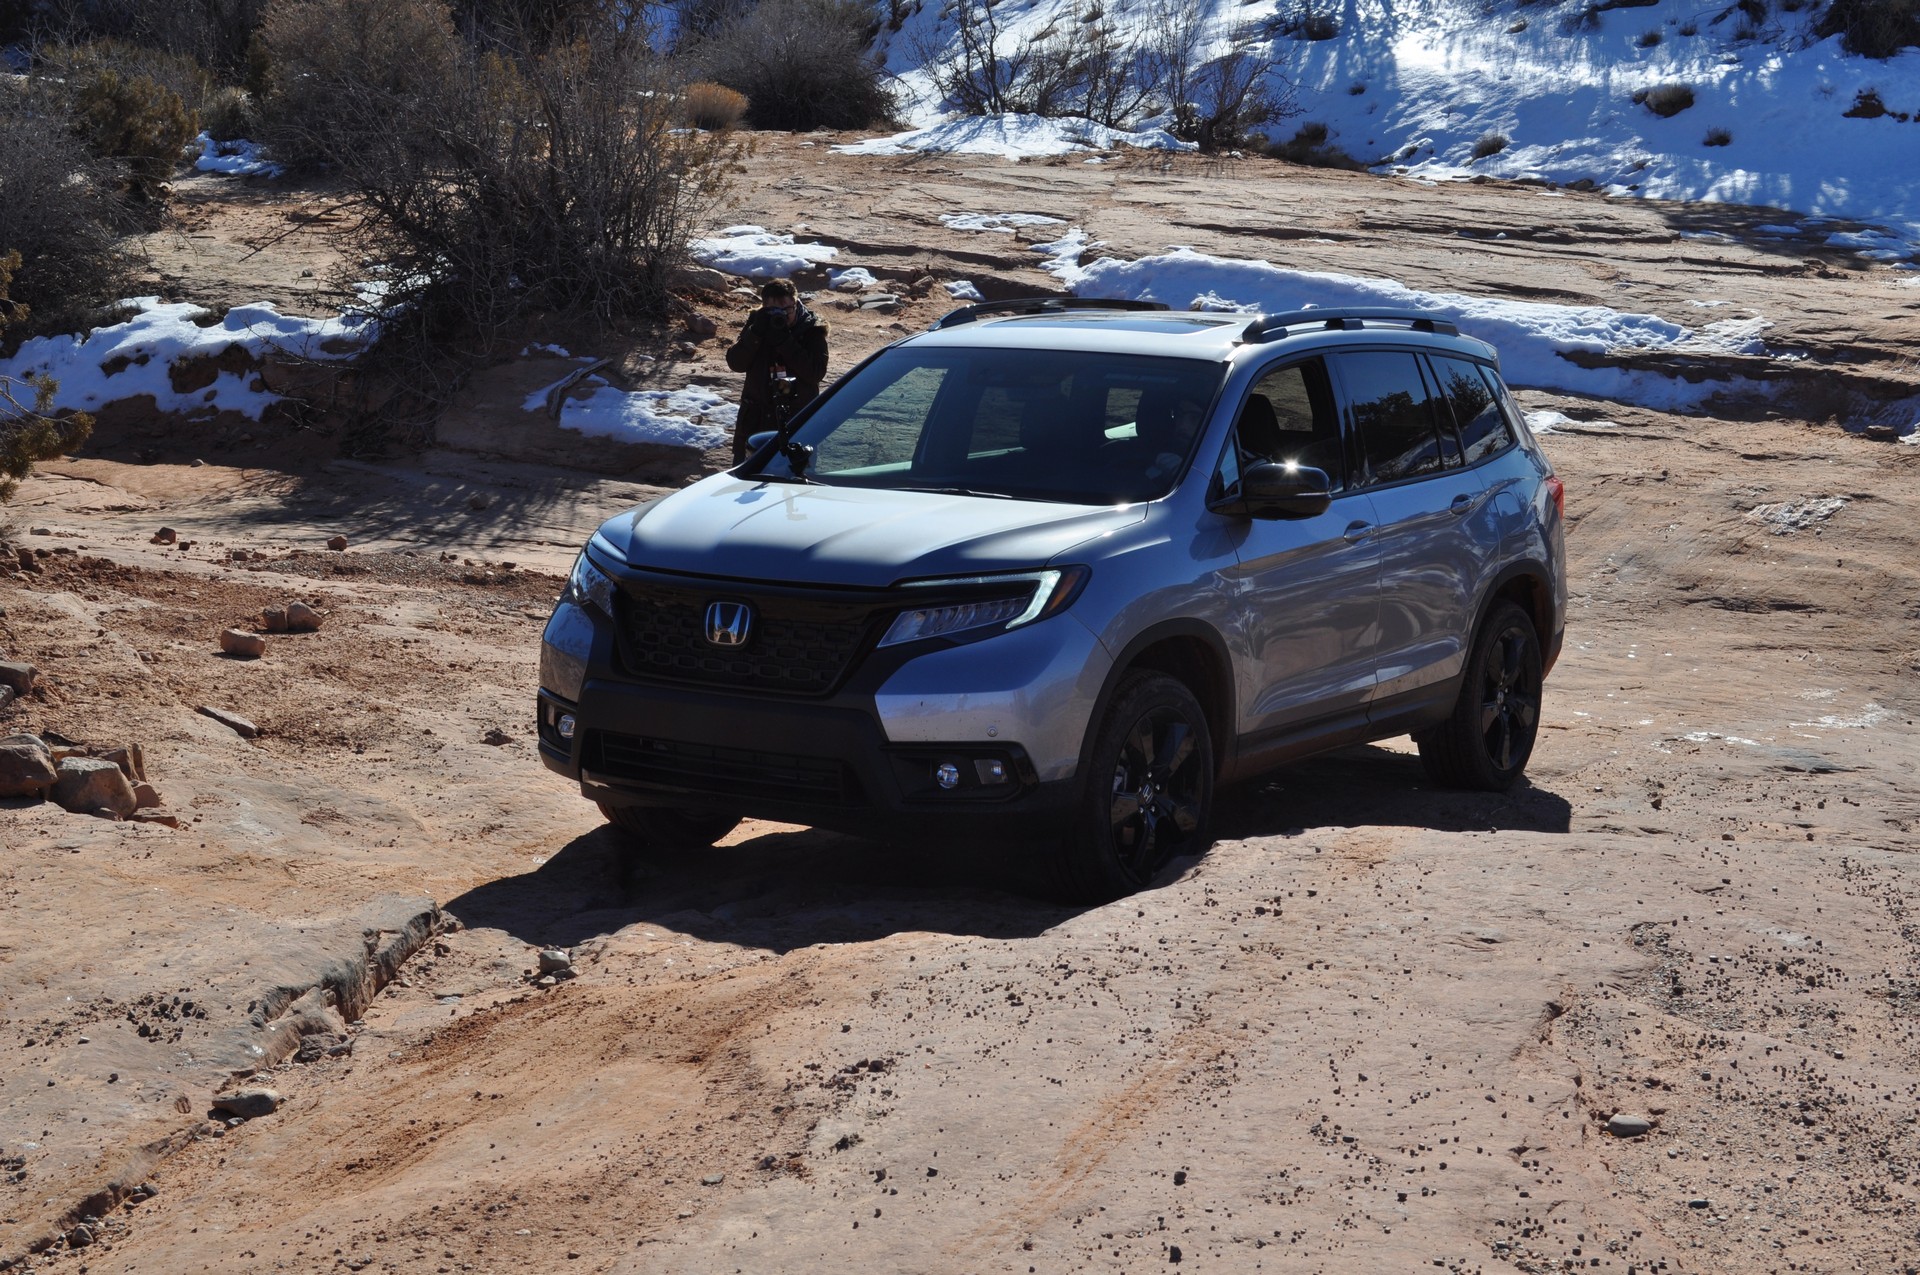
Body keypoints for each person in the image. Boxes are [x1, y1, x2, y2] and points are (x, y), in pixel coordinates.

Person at [724, 278, 829, 463]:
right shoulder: (757, 324)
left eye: (785, 310)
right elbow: (736, 363)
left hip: (796, 422)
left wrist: (784, 342)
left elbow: (815, 373)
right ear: (763, 307)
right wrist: (755, 333)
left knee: (794, 482)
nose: (779, 315)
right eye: (771, 310)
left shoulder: (812, 330)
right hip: (755, 423)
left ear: (795, 304)